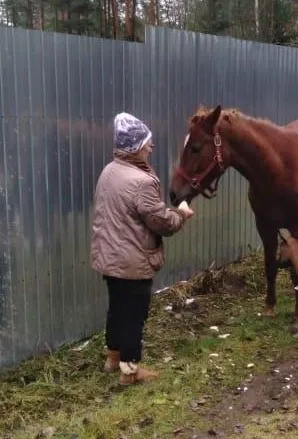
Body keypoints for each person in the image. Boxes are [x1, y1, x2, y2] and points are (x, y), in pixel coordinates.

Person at [90, 112, 195, 385]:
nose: (151, 147)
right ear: (136, 147)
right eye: (148, 142)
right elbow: (162, 223)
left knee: (116, 308)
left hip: (110, 259)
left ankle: (112, 357)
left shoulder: (109, 171)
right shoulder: (141, 182)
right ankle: (130, 370)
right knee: (134, 315)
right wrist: (181, 214)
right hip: (132, 261)